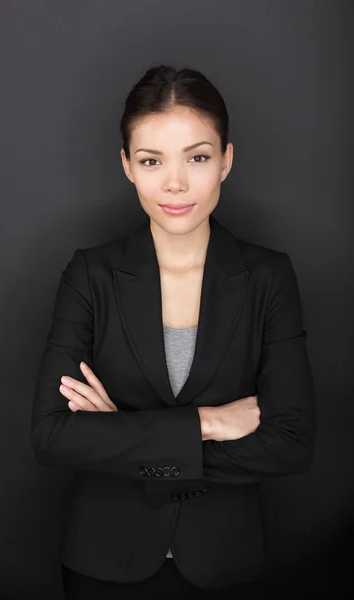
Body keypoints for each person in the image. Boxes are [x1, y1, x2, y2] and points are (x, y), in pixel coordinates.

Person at [30, 64, 317, 598]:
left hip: (225, 565)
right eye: (151, 161)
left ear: (227, 160)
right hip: (103, 563)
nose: (176, 183)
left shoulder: (267, 277)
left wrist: (122, 435)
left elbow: (291, 444)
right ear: (127, 166)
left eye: (198, 157)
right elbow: (53, 435)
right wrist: (208, 422)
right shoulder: (91, 275)